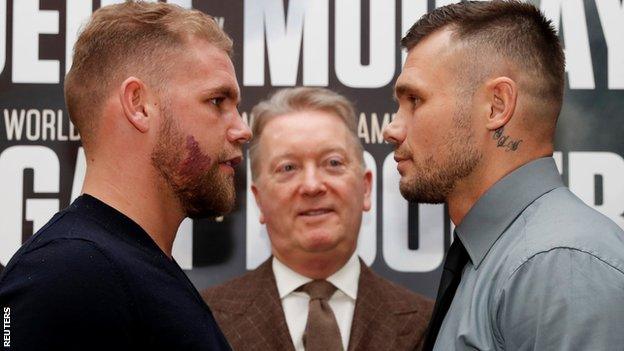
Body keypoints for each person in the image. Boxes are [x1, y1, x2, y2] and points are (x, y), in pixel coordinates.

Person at [0, 2, 251, 350]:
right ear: (139, 105)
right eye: (216, 101)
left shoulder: (116, 270)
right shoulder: (67, 276)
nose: (242, 129)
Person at [383, 1, 624, 350]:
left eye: (415, 100)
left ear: (497, 105)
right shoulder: (515, 257)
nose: (392, 129)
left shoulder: (558, 265)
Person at [203, 87, 433, 351]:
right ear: (259, 200)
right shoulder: (204, 319)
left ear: (366, 188)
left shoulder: (428, 325)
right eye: (288, 167)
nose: (312, 186)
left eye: (333, 163)